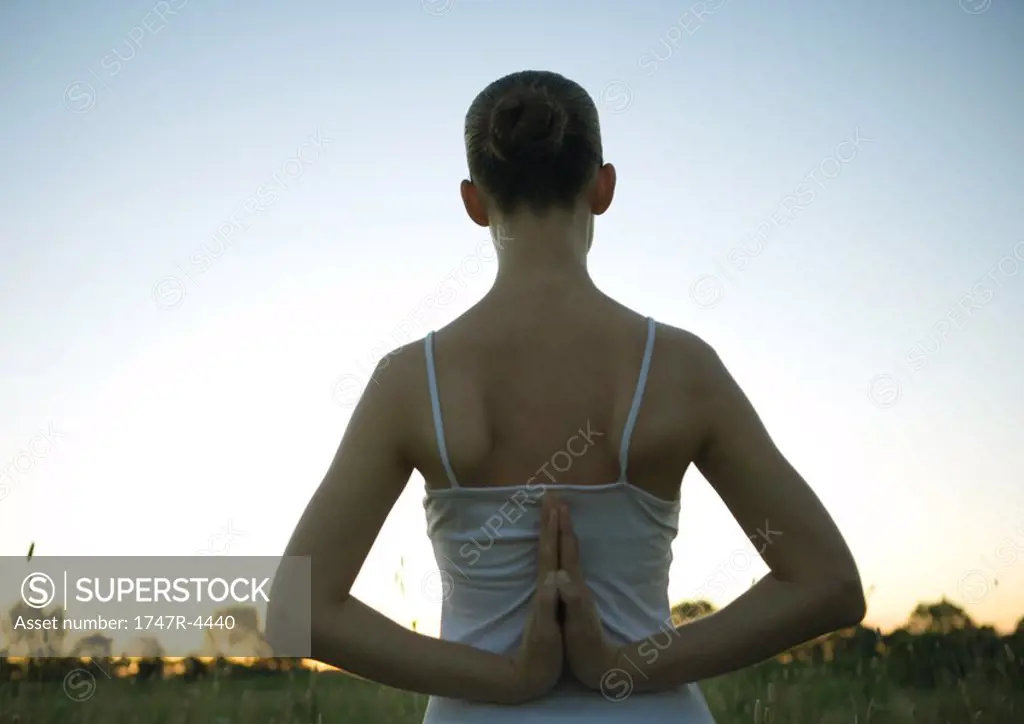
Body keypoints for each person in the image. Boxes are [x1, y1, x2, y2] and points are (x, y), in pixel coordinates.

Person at [266, 70, 866, 723]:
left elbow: (297, 613)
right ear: (602, 187)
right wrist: (618, 665)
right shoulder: (682, 369)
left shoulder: (410, 382)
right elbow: (828, 584)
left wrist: (510, 679)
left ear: (473, 201)